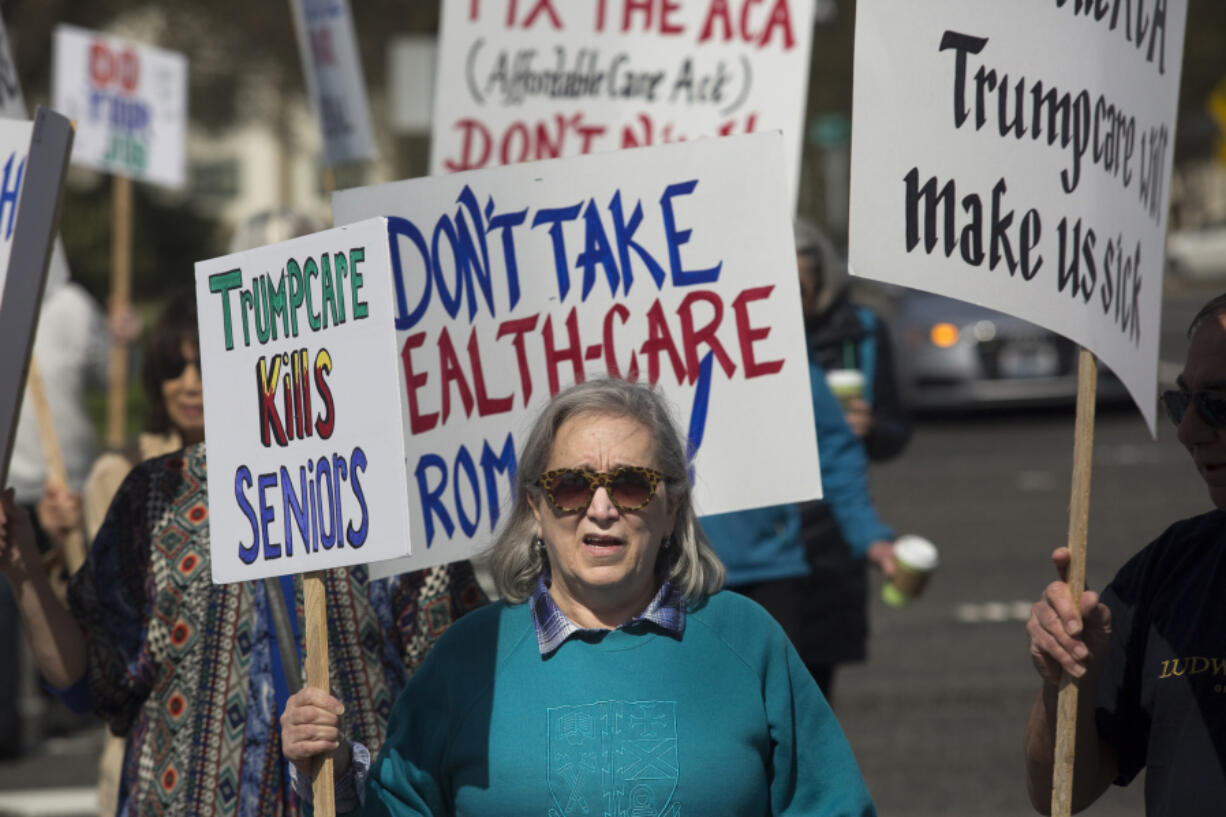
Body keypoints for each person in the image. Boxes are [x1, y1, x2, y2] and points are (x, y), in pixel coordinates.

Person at [283, 377, 877, 816]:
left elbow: (831, 805)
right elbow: (396, 805)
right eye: (570, 486)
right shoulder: (470, 655)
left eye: (629, 484)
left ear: (671, 507)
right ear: (537, 510)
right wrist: (332, 769)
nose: (600, 509)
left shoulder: (747, 639)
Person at [0, 366, 487, 813]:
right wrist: (22, 564)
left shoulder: (390, 486)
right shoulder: (158, 495)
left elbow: (461, 686)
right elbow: (85, 678)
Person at [1023, 293, 1226, 815]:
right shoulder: (1170, 568)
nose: (1188, 431)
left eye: (1218, 404)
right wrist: (1069, 676)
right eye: (1182, 402)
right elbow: (1058, 793)